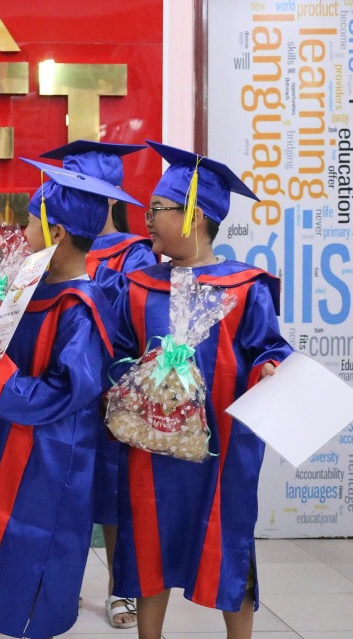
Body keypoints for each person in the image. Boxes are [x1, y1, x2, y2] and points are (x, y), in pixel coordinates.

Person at [0, 161, 141, 639]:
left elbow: (67, 391)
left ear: (56, 233)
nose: (21, 232)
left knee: (23, 561)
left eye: (30, 223)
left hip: (47, 460)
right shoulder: (31, 291)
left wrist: (0, 377)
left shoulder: (82, 308)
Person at [109, 141, 292, 639]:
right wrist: (134, 376)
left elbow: (270, 349)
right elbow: (117, 353)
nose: (147, 219)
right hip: (151, 444)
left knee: (229, 546)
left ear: (195, 215)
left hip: (222, 450)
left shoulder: (245, 287)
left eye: (158, 209)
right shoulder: (138, 286)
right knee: (150, 545)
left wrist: (270, 367)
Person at [39, 139, 156, 629]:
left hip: (110, 388)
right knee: (57, 491)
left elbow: (139, 322)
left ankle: (118, 586)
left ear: (109, 197)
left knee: (113, 491)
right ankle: (54, 586)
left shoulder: (134, 255)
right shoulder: (52, 249)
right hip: (60, 385)